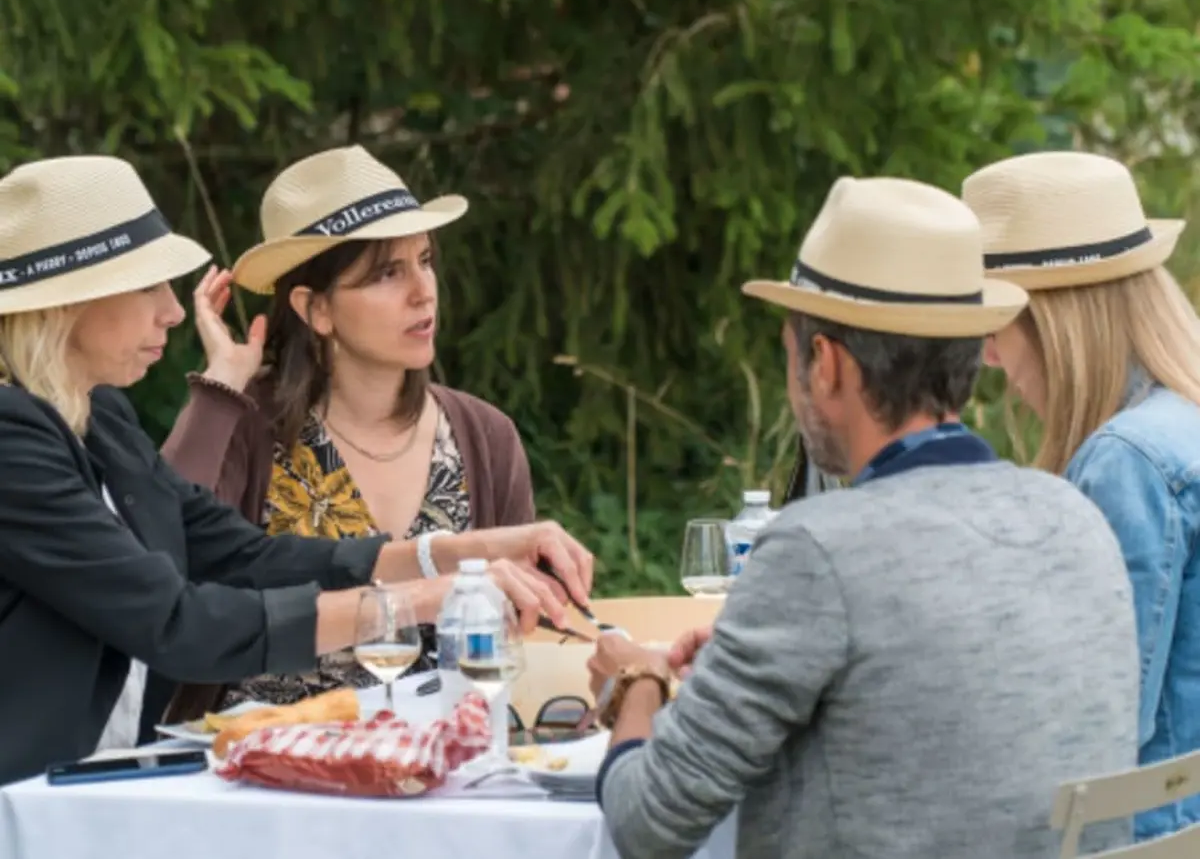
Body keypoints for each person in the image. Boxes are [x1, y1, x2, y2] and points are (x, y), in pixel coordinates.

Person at [585, 176, 1139, 858]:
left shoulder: (817, 551)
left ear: (825, 363)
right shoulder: (1076, 517)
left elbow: (646, 824)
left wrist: (638, 684)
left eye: (790, 354)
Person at [0, 155, 590, 787]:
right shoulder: (12, 437)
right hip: (28, 800)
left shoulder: (100, 418)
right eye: (150, 287)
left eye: (425, 261)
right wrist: (419, 599)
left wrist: (459, 554)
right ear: (65, 304)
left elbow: (241, 554)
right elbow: (176, 622)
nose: (173, 311)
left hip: (106, 785)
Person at [157, 144, 554, 722]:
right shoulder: (245, 425)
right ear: (314, 308)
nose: (423, 290)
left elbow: (511, 628)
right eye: (388, 273)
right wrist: (220, 387)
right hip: (258, 758)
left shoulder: (483, 435)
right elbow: (161, 552)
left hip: (439, 753)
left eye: (425, 260)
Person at [963, 150, 1200, 840]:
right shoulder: (1180, 425)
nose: (988, 357)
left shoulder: (1127, 461)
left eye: (995, 327)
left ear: (1058, 324)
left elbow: (1095, 719)